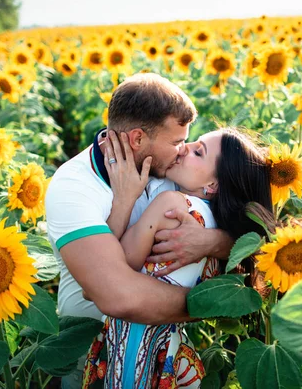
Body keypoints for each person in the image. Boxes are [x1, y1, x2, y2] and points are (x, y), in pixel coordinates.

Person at [44, 73, 233, 388]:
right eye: (176, 142)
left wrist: (212, 241)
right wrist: (212, 304)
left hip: (157, 356)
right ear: (137, 139)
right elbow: (114, 295)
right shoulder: (74, 186)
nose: (183, 150)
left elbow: (238, 221)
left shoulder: (168, 168)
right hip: (85, 360)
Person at [82, 127, 273, 388]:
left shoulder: (170, 204)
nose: (184, 147)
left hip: (131, 345)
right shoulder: (221, 227)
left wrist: (125, 198)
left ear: (212, 184)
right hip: (169, 350)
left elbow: (111, 269)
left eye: (198, 151)